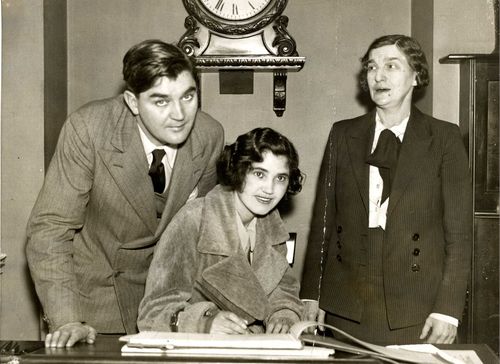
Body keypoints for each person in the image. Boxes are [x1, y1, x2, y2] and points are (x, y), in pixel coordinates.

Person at [26, 39, 224, 347]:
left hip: (168, 305)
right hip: (93, 304)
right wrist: (67, 320)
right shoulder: (88, 128)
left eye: (188, 96)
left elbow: (202, 228)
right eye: (160, 101)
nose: (180, 115)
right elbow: (49, 230)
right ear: (132, 102)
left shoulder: (210, 135)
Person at [301, 34, 472, 345]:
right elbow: (322, 223)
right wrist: (312, 294)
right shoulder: (343, 134)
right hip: (345, 304)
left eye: (391, 66)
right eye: (371, 67)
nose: (378, 76)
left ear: (416, 76)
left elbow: (460, 234)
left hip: (417, 307)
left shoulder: (444, 138)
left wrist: (448, 310)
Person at [138, 127, 303, 334]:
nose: (269, 189)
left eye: (280, 178)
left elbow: (282, 289)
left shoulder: (272, 227)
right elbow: (152, 313)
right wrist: (204, 321)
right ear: (238, 170)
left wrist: (283, 314)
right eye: (259, 174)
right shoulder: (193, 220)